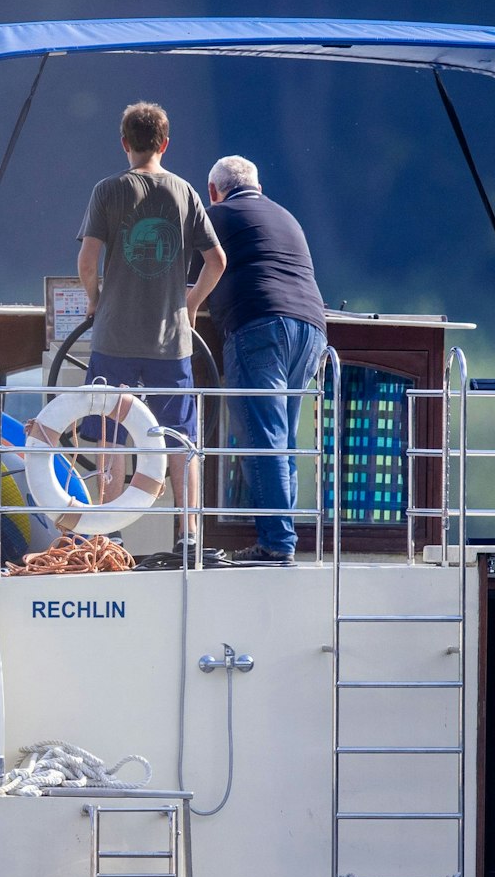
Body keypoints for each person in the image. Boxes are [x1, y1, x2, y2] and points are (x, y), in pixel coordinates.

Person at [76, 102, 226, 554]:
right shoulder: (185, 193)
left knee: (111, 433)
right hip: (170, 342)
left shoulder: (107, 190)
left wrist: (95, 301)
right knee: (180, 438)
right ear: (165, 144)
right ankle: (188, 534)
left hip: (114, 338)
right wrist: (190, 305)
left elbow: (87, 261)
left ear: (125, 143)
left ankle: (110, 532)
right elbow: (217, 261)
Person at [206, 155, 326, 565]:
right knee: (284, 441)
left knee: (263, 439)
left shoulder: (217, 216)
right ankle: (282, 539)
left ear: (214, 191)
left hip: (258, 324)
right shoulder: (286, 217)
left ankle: (276, 544)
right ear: (259, 187)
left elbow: (187, 277)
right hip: (311, 330)